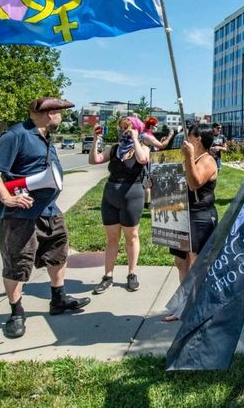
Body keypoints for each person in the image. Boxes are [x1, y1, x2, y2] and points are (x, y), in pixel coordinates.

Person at [0, 96, 89, 340]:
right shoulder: (16, 135)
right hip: (21, 214)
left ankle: (58, 298)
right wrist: (7, 198)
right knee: (18, 262)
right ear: (49, 114)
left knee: (58, 253)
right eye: (60, 113)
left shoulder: (45, 138)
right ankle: (16, 313)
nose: (62, 118)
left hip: (49, 210)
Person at [163, 123, 220, 322]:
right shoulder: (189, 158)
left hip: (200, 216)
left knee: (197, 263)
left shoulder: (208, 160)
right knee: (181, 261)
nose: (185, 138)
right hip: (181, 214)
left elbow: (194, 183)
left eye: (189, 135)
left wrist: (188, 157)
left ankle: (199, 308)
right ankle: (185, 307)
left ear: (198, 139)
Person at [88, 116, 149, 296]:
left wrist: (136, 139)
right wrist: (95, 140)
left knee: (132, 236)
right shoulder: (114, 149)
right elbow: (95, 160)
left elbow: (143, 159)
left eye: (128, 128)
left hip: (132, 194)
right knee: (112, 238)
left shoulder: (143, 147)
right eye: (122, 128)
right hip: (111, 194)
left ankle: (132, 273)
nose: (125, 131)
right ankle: (108, 275)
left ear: (137, 129)